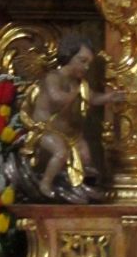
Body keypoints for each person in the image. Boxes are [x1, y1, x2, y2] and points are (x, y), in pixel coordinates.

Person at [18, 34, 123, 199]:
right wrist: (73, 94)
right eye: (82, 61)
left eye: (89, 63)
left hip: (70, 134)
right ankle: (45, 184)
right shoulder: (53, 77)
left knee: (86, 154)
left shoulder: (78, 83)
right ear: (69, 55)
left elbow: (92, 97)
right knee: (60, 152)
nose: (87, 67)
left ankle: (79, 186)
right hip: (44, 130)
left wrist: (109, 97)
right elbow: (56, 98)